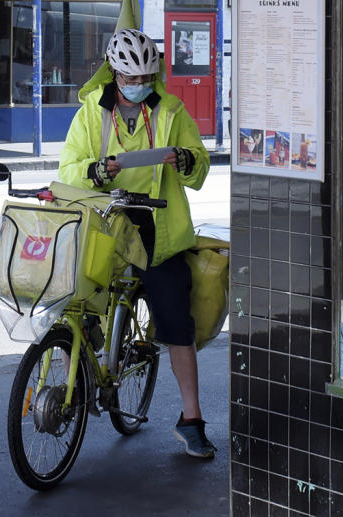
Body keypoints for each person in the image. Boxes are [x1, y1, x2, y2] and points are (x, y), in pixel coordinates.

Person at [58, 28, 215, 458]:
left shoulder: (171, 111)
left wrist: (186, 160)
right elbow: (67, 169)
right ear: (114, 73)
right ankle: (87, 354)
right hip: (105, 227)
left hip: (157, 232)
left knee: (175, 323)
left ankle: (192, 419)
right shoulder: (92, 111)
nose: (138, 84)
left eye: (146, 76)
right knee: (74, 297)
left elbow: (200, 170)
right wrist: (93, 172)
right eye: (130, 78)